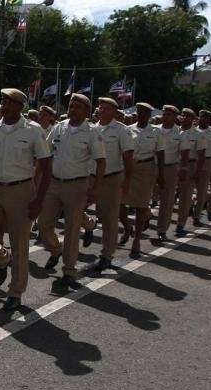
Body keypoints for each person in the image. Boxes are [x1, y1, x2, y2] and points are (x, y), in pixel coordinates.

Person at [0, 88, 51, 311]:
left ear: (19, 106)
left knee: (19, 243)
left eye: (9, 102)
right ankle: (3, 260)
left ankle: (16, 291)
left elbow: (46, 168)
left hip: (22, 190)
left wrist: (38, 200)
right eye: (3, 101)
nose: (4, 105)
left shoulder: (34, 131)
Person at [39, 93, 104, 286]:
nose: (72, 109)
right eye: (70, 105)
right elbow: (45, 152)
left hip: (77, 185)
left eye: (77, 106)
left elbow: (101, 162)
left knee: (71, 229)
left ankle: (69, 270)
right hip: (54, 183)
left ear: (86, 110)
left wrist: (95, 189)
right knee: (43, 223)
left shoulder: (92, 132)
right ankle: (55, 249)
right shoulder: (59, 127)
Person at [83, 97, 133, 272]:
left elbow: (128, 157)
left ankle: (106, 256)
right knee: (74, 208)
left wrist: (127, 181)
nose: (101, 110)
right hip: (89, 176)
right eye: (100, 107)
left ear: (114, 111)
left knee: (109, 218)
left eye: (105, 108)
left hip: (111, 178)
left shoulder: (121, 130)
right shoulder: (90, 129)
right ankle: (88, 225)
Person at [122, 103, 158, 257]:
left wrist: (160, 175)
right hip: (128, 167)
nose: (141, 114)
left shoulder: (156, 132)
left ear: (149, 115)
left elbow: (160, 153)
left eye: (144, 112)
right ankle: (127, 227)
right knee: (120, 202)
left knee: (141, 205)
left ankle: (136, 239)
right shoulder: (128, 129)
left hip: (146, 168)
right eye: (139, 112)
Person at [153, 105, 190, 243]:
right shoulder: (154, 130)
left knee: (167, 201)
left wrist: (184, 169)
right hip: (152, 166)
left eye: (169, 114)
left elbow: (185, 152)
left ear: (175, 117)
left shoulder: (180, 133)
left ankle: (162, 230)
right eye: (164, 114)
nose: (165, 116)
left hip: (170, 168)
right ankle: (145, 217)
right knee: (144, 196)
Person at [174, 108, 206, 235]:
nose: (185, 118)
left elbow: (202, 154)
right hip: (172, 165)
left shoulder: (198, 134)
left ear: (193, 119)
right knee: (169, 195)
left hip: (190, 165)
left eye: (188, 116)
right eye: (183, 115)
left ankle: (180, 223)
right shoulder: (174, 131)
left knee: (184, 197)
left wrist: (198, 171)